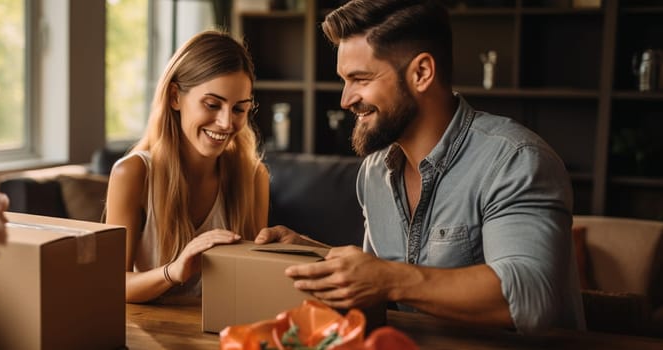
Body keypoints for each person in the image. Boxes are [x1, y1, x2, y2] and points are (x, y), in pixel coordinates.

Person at [255, 0, 585, 333]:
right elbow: (382, 287)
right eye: (344, 80)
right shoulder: (374, 172)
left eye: (360, 78)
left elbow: (531, 298)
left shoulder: (515, 160)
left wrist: (384, 277)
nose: (345, 99)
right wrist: (312, 257)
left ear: (421, 73)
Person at [105, 30, 269, 304]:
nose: (227, 123)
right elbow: (110, 284)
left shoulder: (253, 177)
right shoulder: (133, 174)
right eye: (212, 104)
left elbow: (251, 284)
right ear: (174, 97)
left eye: (239, 109)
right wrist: (173, 271)